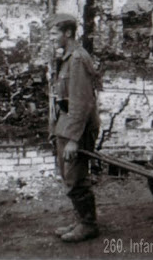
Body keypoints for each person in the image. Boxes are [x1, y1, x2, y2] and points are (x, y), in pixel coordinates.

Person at [47, 13, 101, 242]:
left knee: (76, 178)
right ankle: (80, 219)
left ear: (67, 33)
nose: (50, 37)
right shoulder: (68, 58)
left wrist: (73, 139)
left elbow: (81, 102)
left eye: (53, 33)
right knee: (69, 177)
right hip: (66, 124)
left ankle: (88, 224)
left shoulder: (78, 59)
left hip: (76, 128)